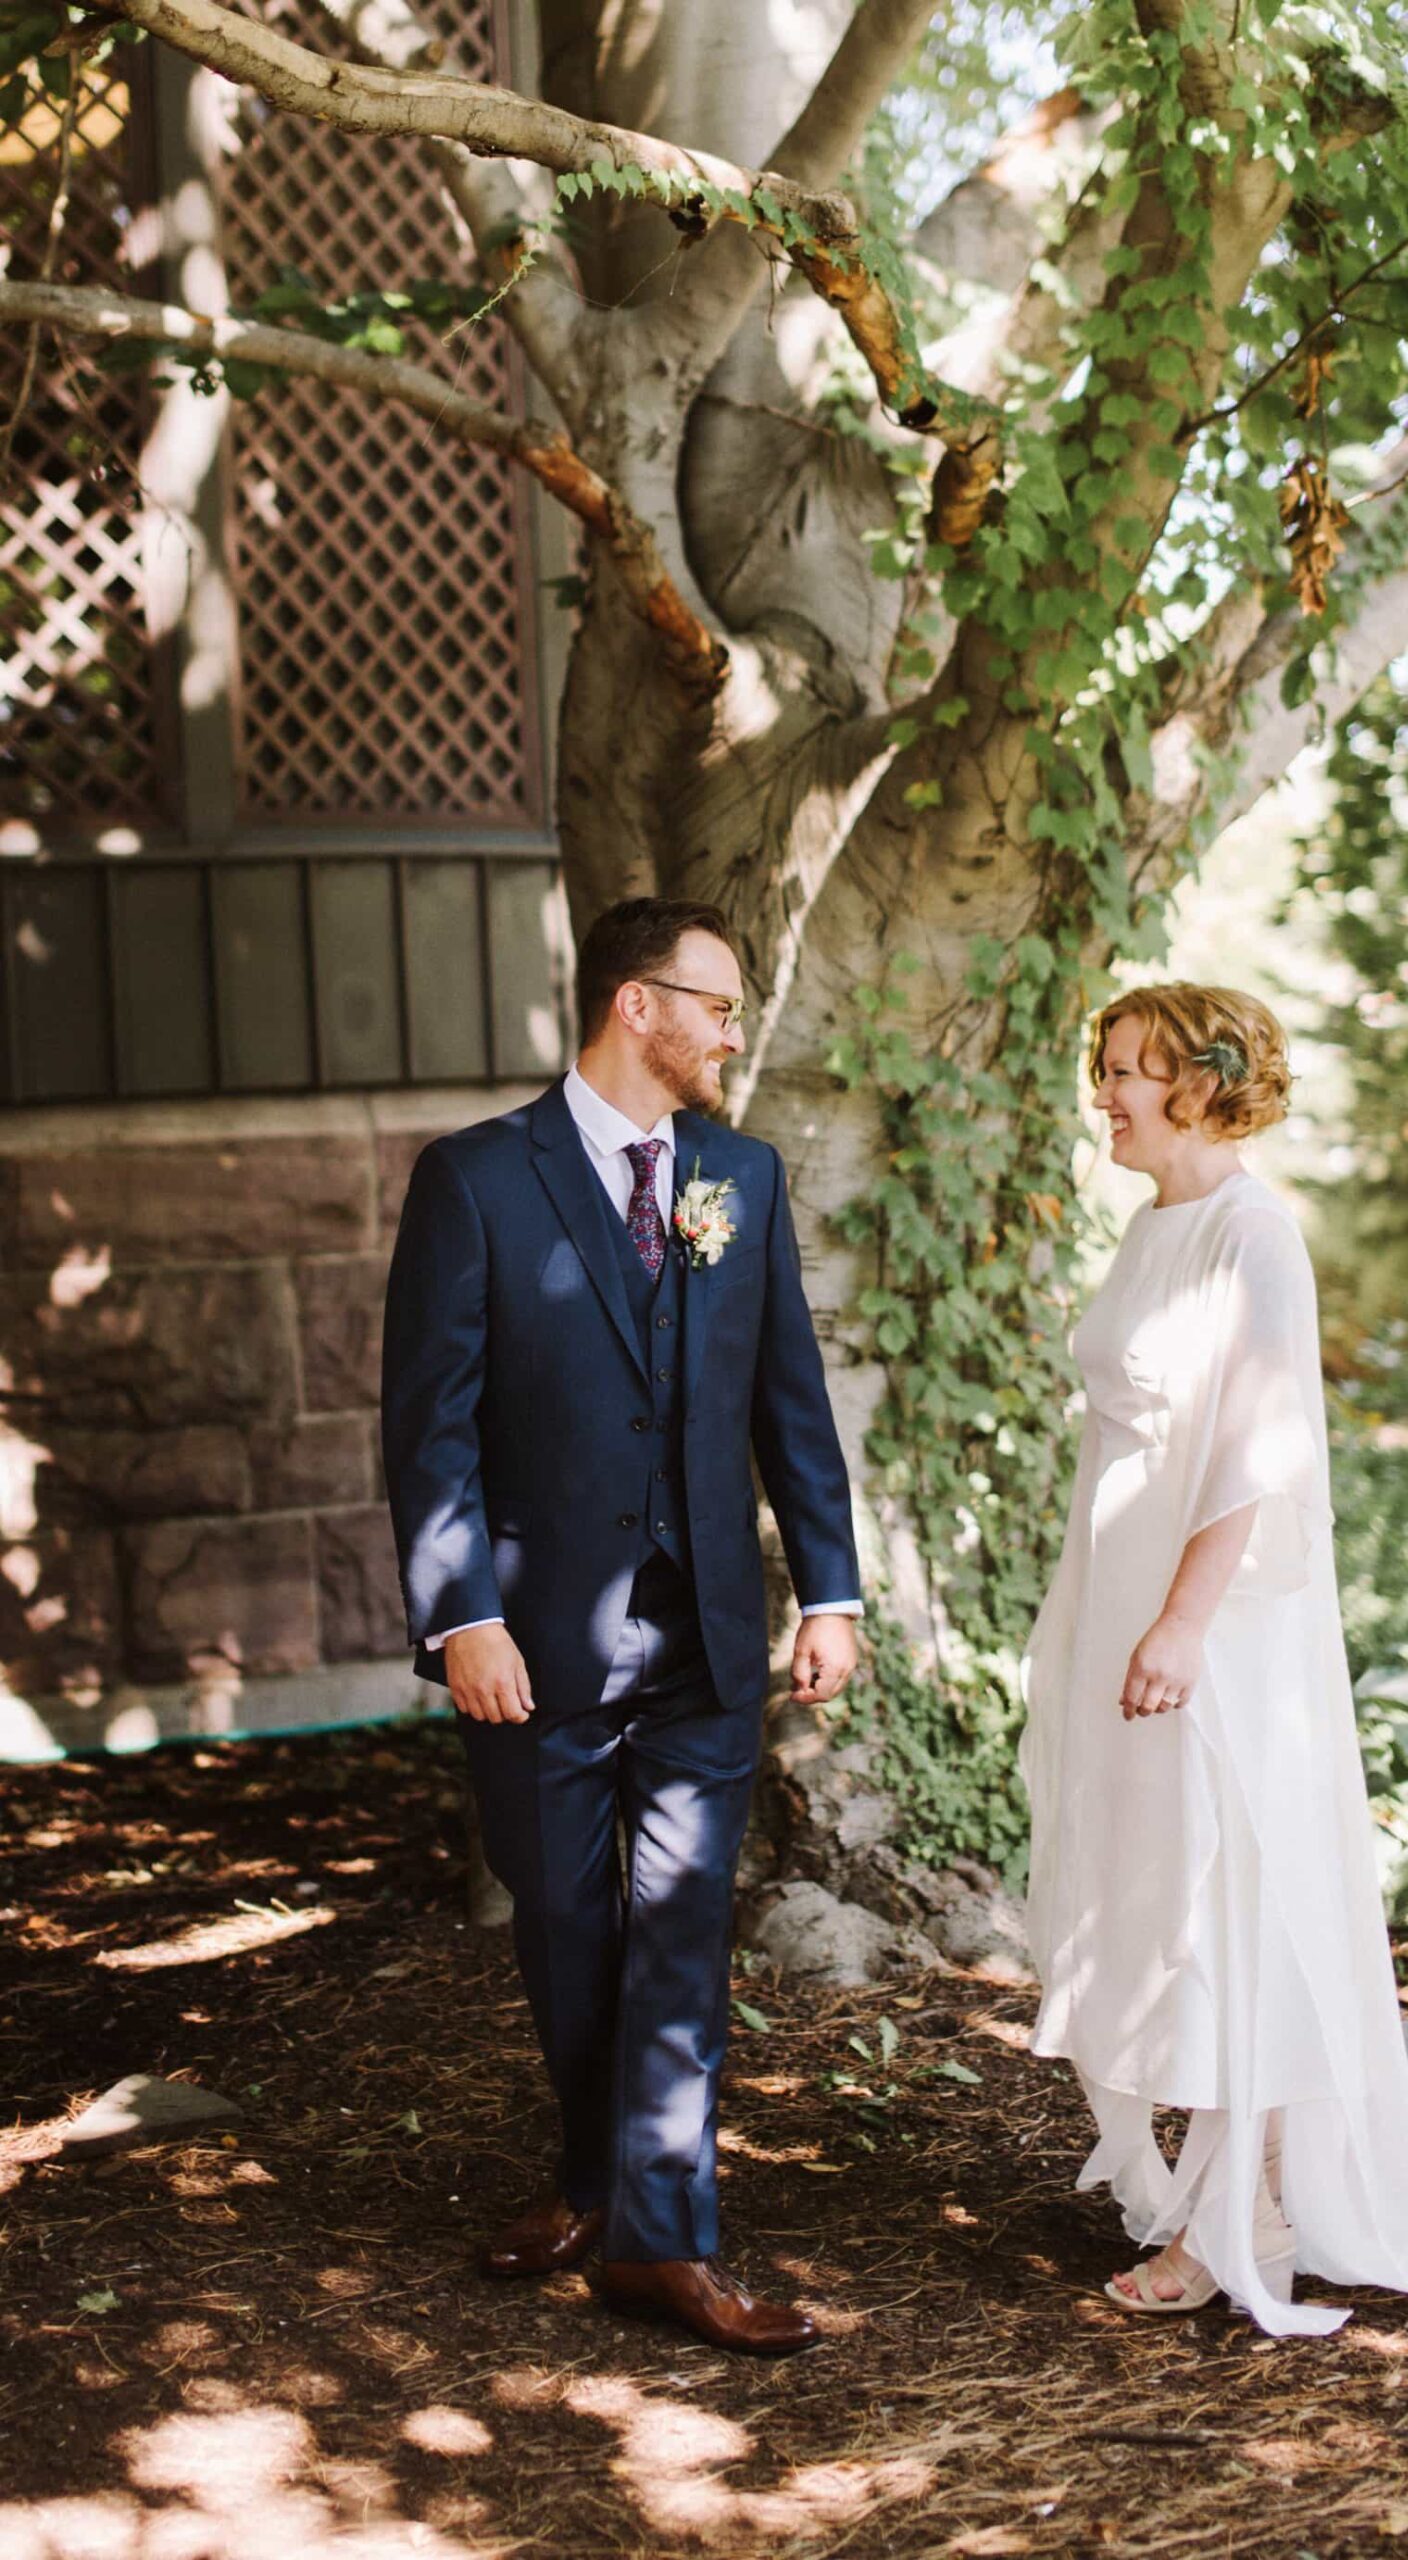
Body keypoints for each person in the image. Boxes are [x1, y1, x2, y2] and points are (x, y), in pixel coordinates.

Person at [1018, 982, 1408, 2337]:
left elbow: (1259, 1452)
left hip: (1213, 1629)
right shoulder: (1150, 1224)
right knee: (1152, 1882)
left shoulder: (1253, 1234)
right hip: (1117, 1600)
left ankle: (1249, 2219)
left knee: (1224, 1896)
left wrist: (1179, 1622)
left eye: (1125, 1070)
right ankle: (1235, 2191)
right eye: (1102, 1066)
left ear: (1200, 1085)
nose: (1101, 1091)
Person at [381, 897, 862, 2354]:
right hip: (535, 1643)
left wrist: (828, 1586)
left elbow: (792, 1400)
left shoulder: (743, 1177)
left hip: (708, 1633)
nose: (733, 1031)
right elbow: (430, 1429)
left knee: (680, 1936)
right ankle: (596, 2181)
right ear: (634, 1006)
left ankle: (664, 2240)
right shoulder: (477, 1181)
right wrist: (460, 1614)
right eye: (715, 1005)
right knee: (570, 1924)